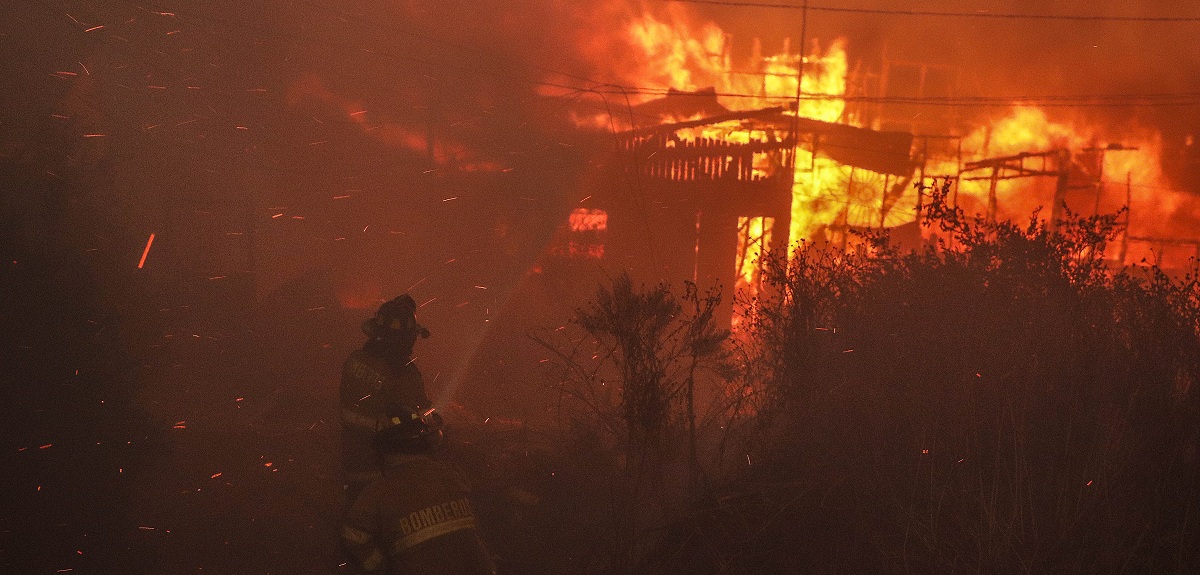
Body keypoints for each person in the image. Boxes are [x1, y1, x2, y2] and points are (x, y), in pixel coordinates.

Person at [341, 408, 497, 575]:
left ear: (384, 450)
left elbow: (353, 537)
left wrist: (383, 568)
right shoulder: (451, 475)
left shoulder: (377, 493)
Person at [342, 294, 433, 497]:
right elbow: (420, 423)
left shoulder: (354, 360)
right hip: (386, 474)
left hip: (350, 464)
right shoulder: (404, 376)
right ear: (407, 338)